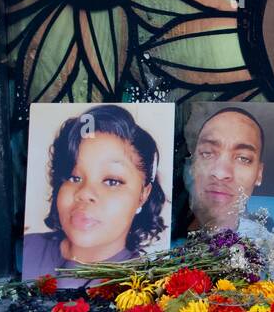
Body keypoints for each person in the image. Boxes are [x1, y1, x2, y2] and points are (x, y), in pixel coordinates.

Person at [22, 105, 167, 289]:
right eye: (74, 177)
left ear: (143, 195)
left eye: (111, 181)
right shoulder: (24, 251)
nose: (84, 193)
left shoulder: (147, 287)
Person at [183, 105, 274, 279]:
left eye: (243, 158)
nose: (220, 173)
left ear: (259, 174)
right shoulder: (159, 242)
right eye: (208, 153)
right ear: (192, 165)